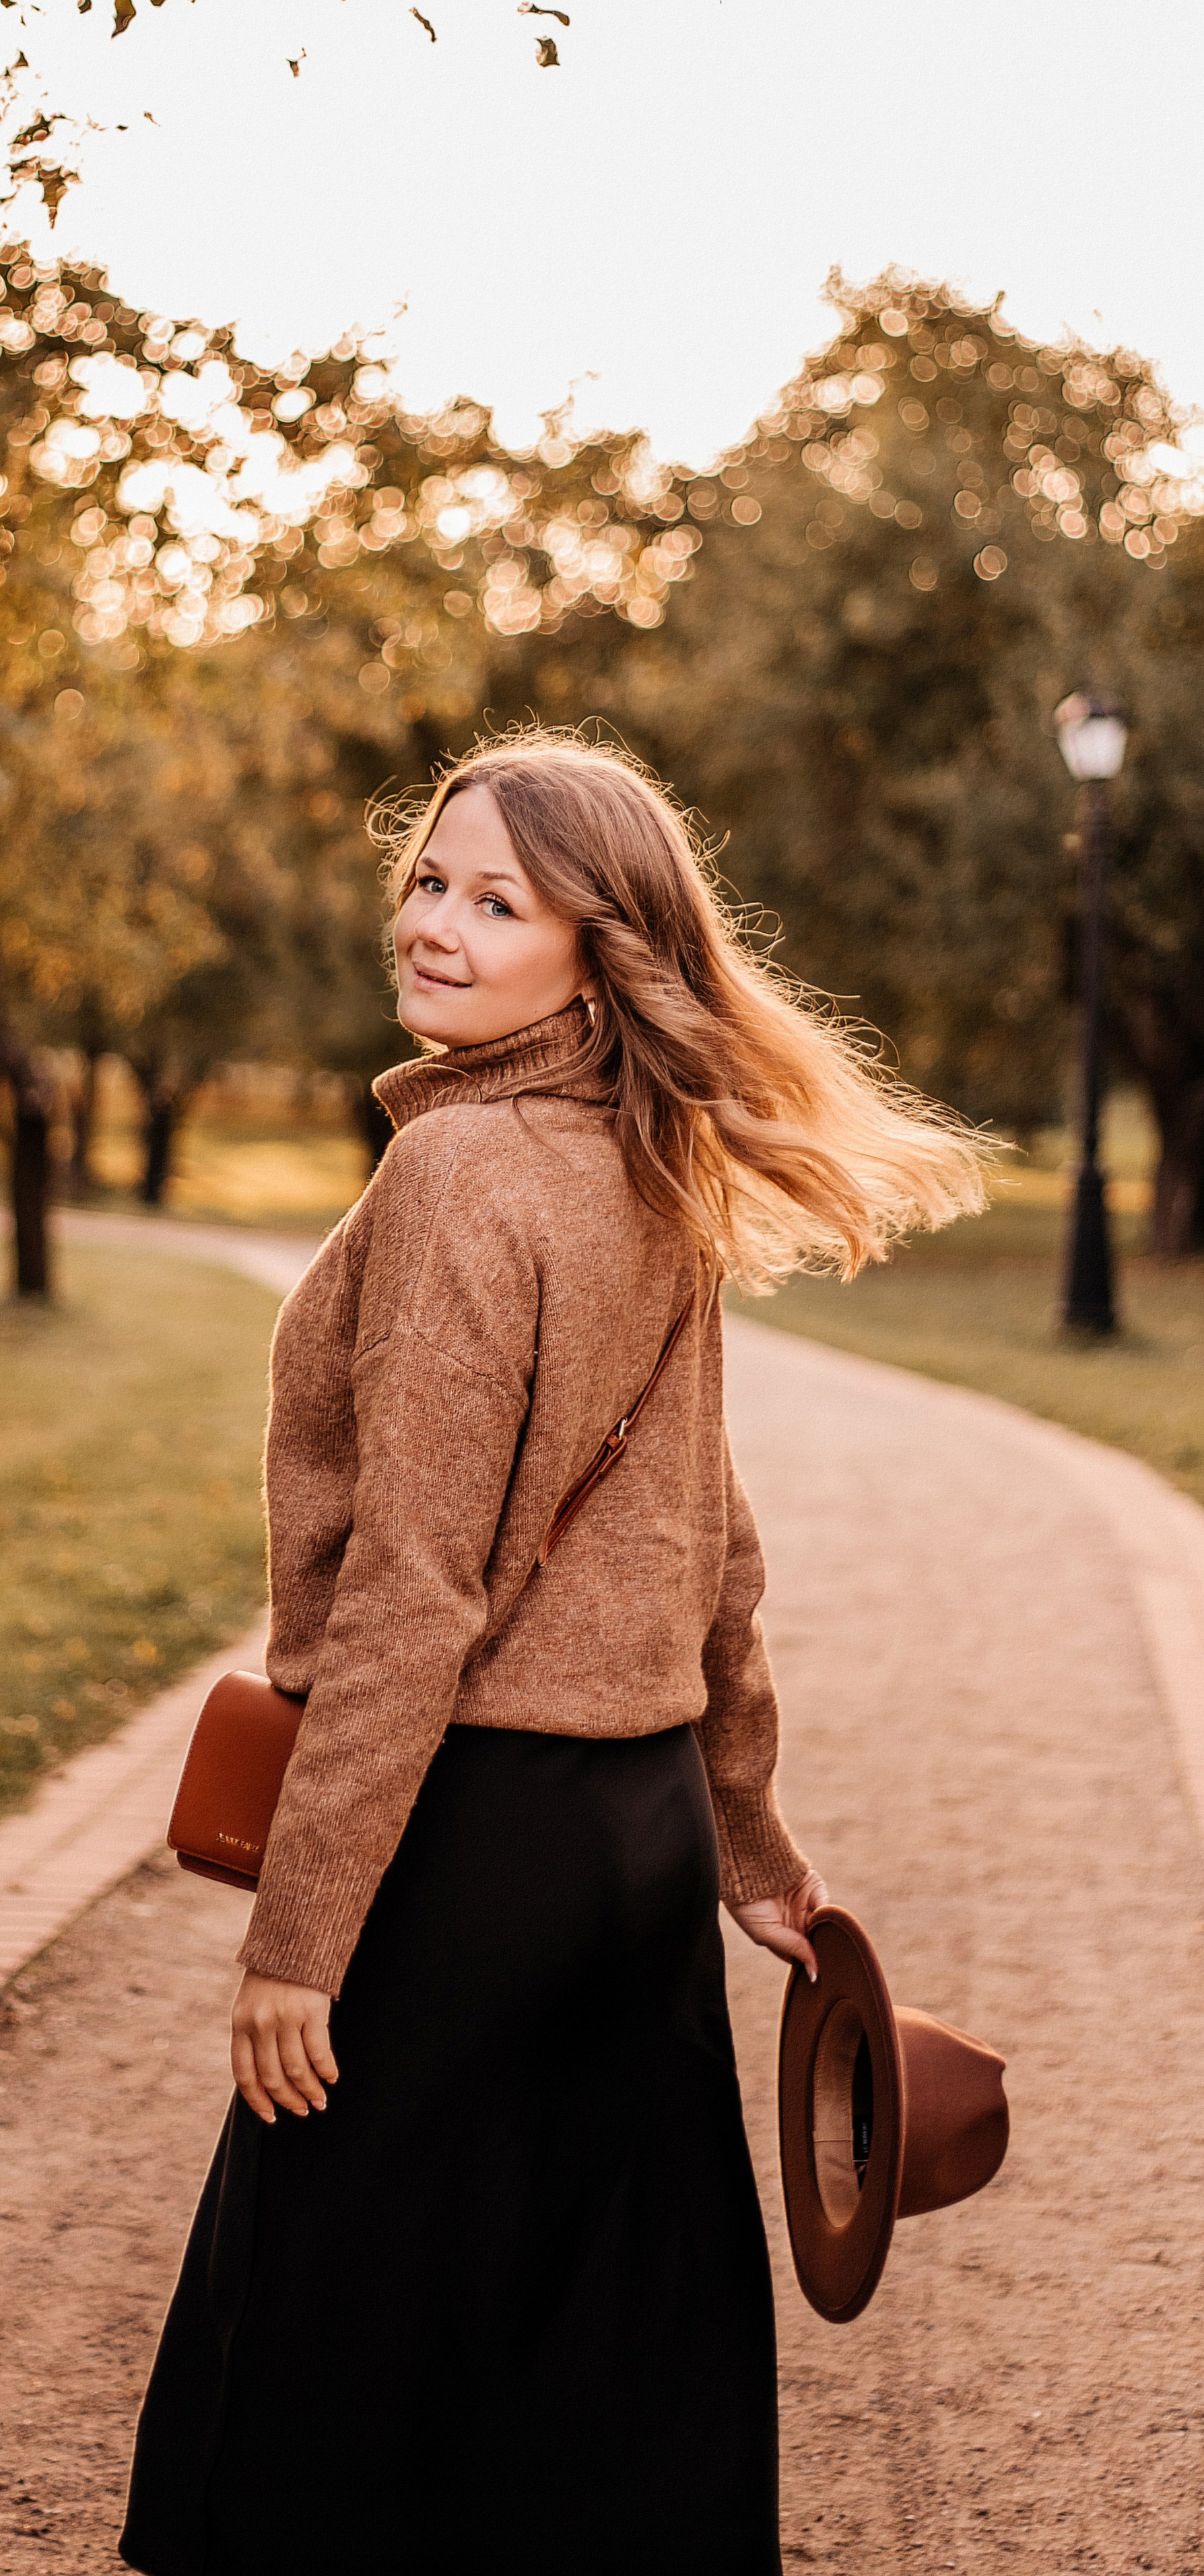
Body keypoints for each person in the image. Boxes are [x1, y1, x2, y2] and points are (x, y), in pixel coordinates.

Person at [120, 731, 989, 2576]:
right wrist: (742, 1835)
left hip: (477, 1838)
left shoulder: (462, 1179)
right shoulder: (643, 1158)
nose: (436, 923)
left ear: (597, 954)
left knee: (315, 2363)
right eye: (431, 880)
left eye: (496, 901)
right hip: (639, 1842)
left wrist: (297, 1944)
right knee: (605, 2353)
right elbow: (720, 1550)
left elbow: (414, 1594)